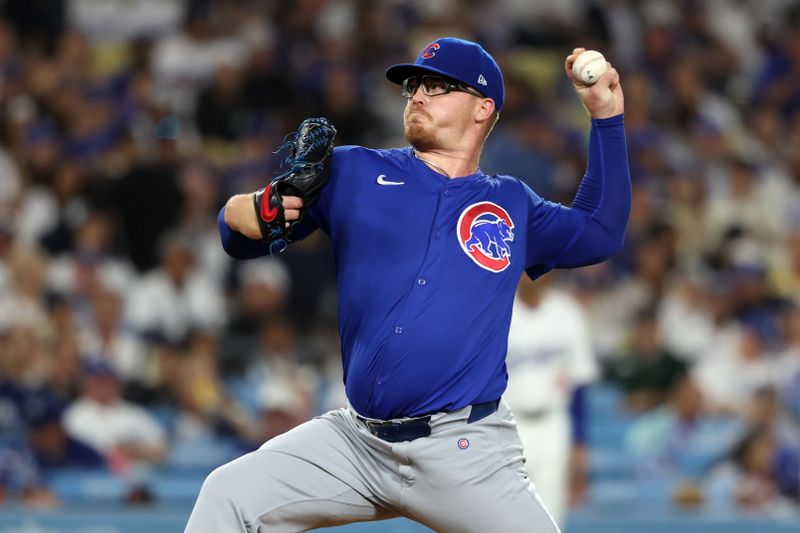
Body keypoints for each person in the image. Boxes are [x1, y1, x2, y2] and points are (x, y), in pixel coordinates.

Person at [187, 37, 629, 532]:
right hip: (356, 443)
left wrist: (606, 119)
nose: (418, 94)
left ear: (484, 108)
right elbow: (237, 232)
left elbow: (599, 233)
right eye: (414, 85)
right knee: (228, 494)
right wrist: (253, 209)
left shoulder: (512, 204)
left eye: (438, 86)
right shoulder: (354, 171)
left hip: (466, 451)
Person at [504, 273, 599, 528]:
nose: (530, 277)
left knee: (551, 516)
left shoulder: (568, 314)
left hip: (553, 424)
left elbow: (580, 382)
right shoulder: (498, 311)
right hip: (507, 426)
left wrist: (580, 442)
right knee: (504, 518)